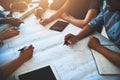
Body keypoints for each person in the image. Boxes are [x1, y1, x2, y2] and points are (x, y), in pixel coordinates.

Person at [64, 0, 120, 68]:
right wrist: (77, 36)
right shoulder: (108, 6)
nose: (107, 1)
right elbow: (93, 24)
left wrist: (98, 47)